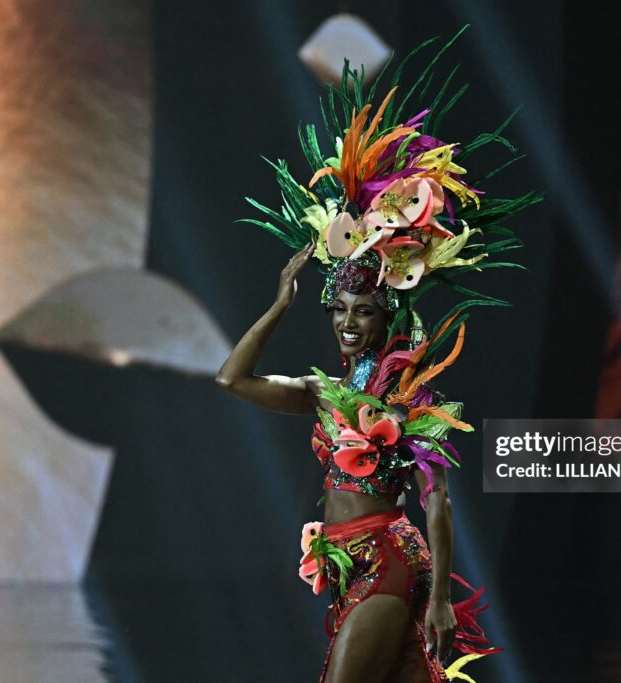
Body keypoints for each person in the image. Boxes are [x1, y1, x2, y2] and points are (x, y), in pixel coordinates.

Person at [216, 27, 540, 681]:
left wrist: (442, 597)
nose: (348, 323)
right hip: (348, 565)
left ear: (386, 314)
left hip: (390, 559)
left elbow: (438, 498)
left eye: (362, 311)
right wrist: (279, 305)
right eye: (339, 310)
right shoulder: (322, 391)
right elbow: (232, 379)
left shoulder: (406, 397)